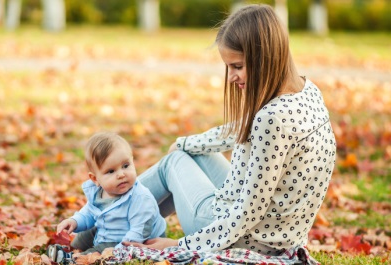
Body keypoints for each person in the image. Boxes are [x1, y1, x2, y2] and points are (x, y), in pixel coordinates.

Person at [75, 3, 336, 264]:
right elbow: (235, 131)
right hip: (278, 230)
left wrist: (181, 244)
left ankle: (94, 228)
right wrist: (185, 143)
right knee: (185, 154)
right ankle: (104, 223)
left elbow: (249, 212)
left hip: (245, 237)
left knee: (173, 164)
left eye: (237, 66)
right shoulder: (306, 91)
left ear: (264, 58)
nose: (232, 77)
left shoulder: (272, 119)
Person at [47, 132, 166, 263]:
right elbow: (89, 212)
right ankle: (73, 249)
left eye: (126, 166)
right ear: (95, 179)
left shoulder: (140, 197)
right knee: (83, 236)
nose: (121, 174)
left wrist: (120, 250)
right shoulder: (99, 193)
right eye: (111, 171)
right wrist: (74, 221)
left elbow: (141, 229)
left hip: (128, 239)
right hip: (106, 230)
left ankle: (76, 259)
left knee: (101, 250)